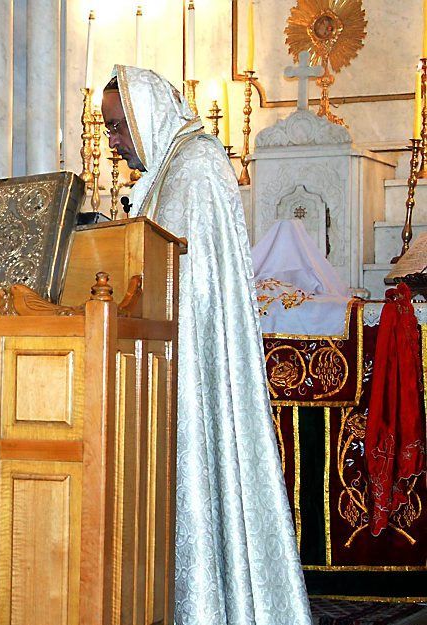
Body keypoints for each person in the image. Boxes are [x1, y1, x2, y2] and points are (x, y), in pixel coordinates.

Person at [101, 66, 311, 624]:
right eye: (109, 129)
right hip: (161, 359)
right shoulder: (170, 167)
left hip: (189, 362)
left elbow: (188, 285)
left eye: (119, 127)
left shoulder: (195, 165)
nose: (113, 141)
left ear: (146, 115)